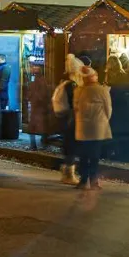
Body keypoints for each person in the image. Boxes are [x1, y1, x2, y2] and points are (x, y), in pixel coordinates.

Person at [72, 65, 112, 190]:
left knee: (84, 155)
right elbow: (108, 109)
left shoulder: (78, 91)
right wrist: (104, 120)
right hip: (97, 127)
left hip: (83, 127)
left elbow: (75, 107)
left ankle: (83, 180)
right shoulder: (102, 90)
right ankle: (94, 181)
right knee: (95, 155)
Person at [51, 55, 82, 185]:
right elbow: (74, 102)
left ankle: (67, 171)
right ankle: (69, 174)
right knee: (71, 145)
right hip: (71, 118)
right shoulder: (72, 85)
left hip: (64, 118)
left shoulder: (63, 82)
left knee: (68, 144)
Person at [24, 62, 53, 151]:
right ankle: (42, 144)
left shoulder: (37, 81)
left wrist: (31, 98)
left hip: (37, 107)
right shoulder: (41, 81)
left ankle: (34, 145)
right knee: (41, 126)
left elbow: (38, 94)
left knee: (34, 127)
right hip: (39, 107)